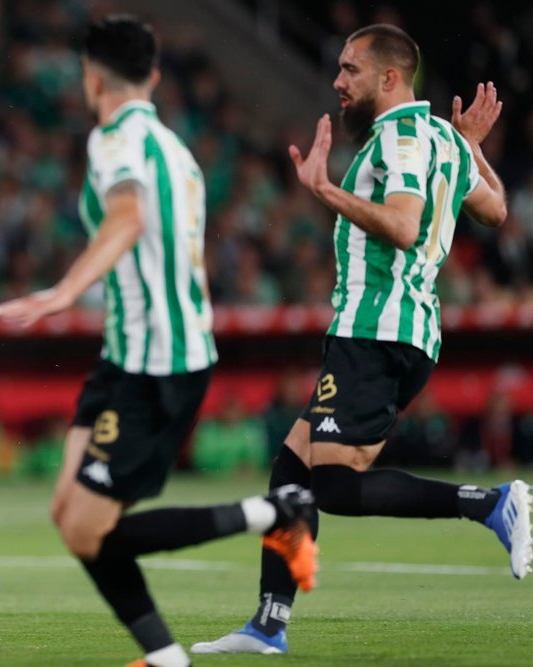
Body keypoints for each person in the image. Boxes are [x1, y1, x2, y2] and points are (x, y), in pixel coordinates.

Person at [192, 24, 530, 656]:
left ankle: (491, 502)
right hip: (397, 333)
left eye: (350, 70)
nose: (339, 81)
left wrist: (325, 191)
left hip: (375, 331)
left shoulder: (401, 137)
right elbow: (496, 211)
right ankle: (269, 621)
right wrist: (472, 149)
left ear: (389, 78)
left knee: (335, 485)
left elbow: (403, 226)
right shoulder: (442, 141)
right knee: (292, 467)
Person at [0, 16, 318, 667]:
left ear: (90, 77)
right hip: (131, 353)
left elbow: (126, 216)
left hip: (156, 360)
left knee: (90, 528)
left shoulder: (113, 139)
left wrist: (63, 291)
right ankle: (165, 654)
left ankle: (278, 512)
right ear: (155, 76)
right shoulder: (176, 149)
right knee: (70, 515)